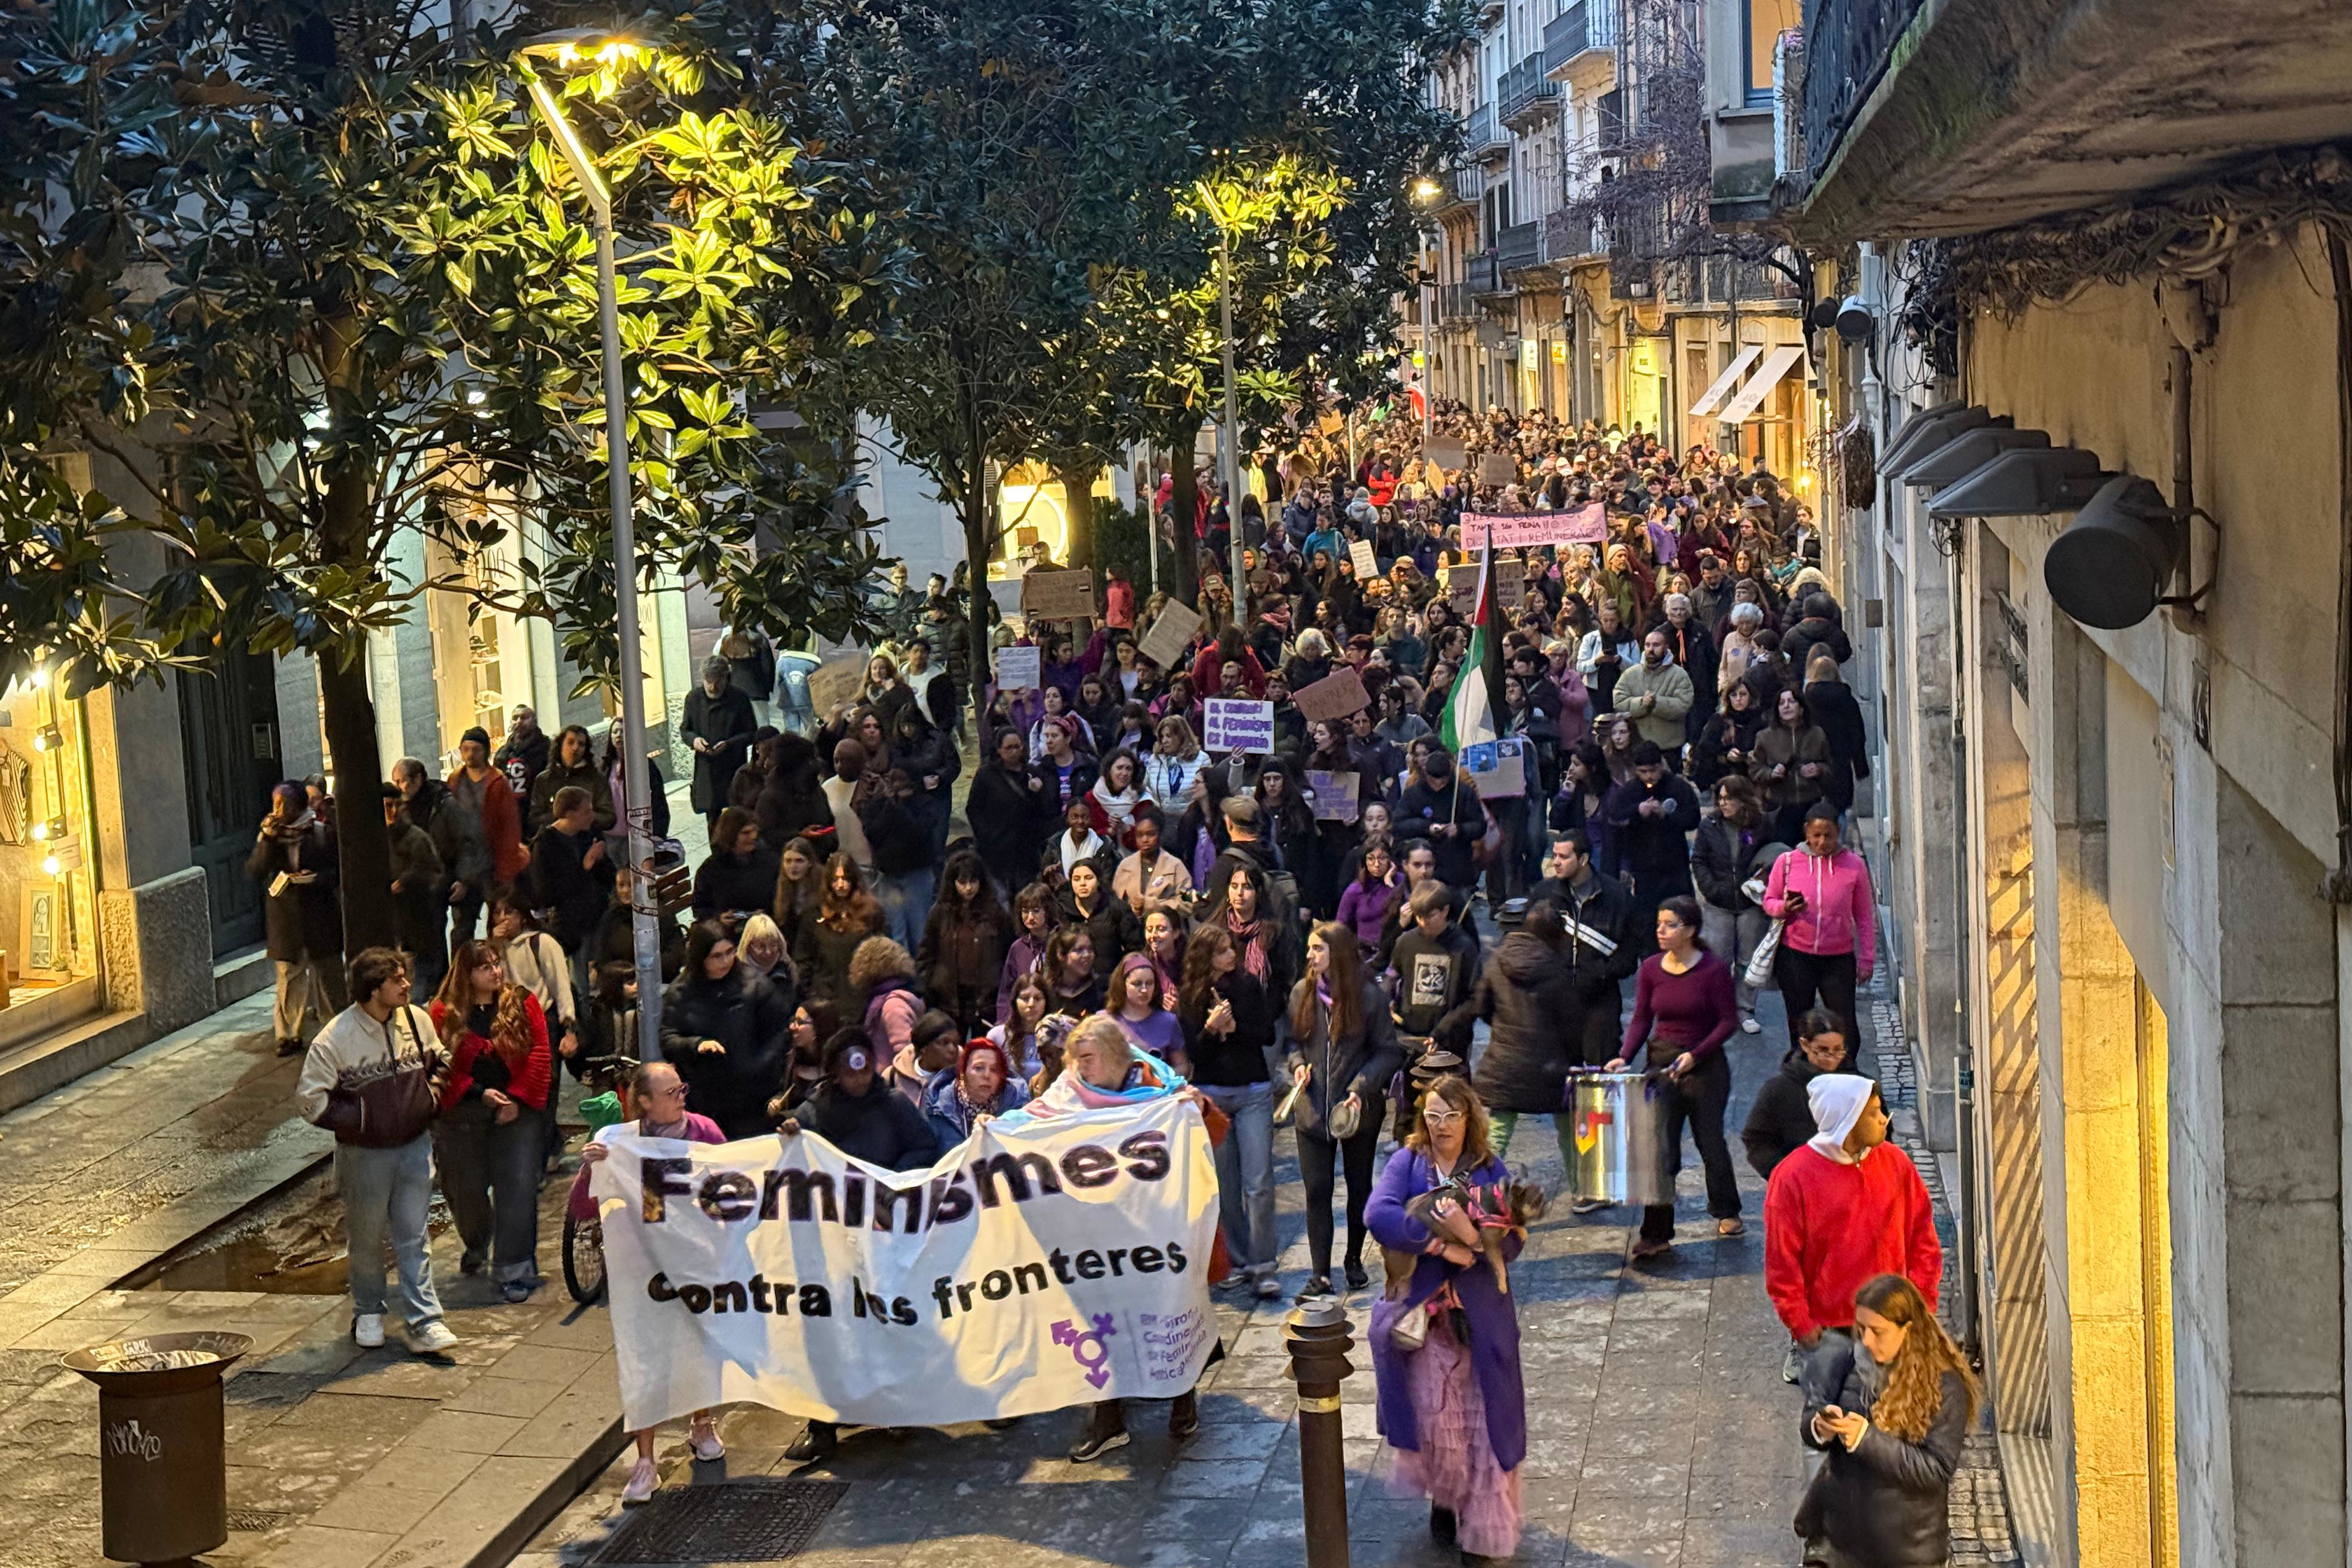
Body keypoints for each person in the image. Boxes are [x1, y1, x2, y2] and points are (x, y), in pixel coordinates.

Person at [1014, 1016, 1202, 1462]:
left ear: (1116, 1056)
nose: (1081, 1068)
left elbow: (1200, 1131)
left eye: (1089, 1059)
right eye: (1075, 1060)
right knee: (1101, 1321)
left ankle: (1182, 1399)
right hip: (1094, 1235)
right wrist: (996, 1128)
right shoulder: (1067, 1090)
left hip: (1153, 1229)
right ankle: (1109, 1417)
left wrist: (1193, 1108)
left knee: (1167, 1308)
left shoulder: (1157, 1086)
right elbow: (1031, 1123)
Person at [1365, 1075, 1526, 1566]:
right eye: (1433, 1116)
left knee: (1485, 1434)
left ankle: (1482, 1535)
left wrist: (1475, 1242)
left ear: (1469, 1119)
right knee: (1438, 1430)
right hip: (1426, 1325)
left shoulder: (1487, 1168)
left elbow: (1514, 1241)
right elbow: (1378, 1213)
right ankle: (1447, 1500)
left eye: (1452, 1116)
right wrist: (1438, 1243)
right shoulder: (1407, 1163)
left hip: (1480, 1324)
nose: (1442, 1126)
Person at [776, 1030, 945, 1466]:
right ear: (835, 1072)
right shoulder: (815, 1112)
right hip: (833, 1237)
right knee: (830, 1329)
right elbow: (797, 1165)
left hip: (883, 1228)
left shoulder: (892, 1105)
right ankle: (822, 1428)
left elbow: (924, 1146)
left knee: (885, 1320)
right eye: (851, 1072)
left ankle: (894, 1407)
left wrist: (887, 1183)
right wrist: (791, 1135)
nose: (860, 1079)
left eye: (866, 1069)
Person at [292, 947, 456, 1354]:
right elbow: (310, 1100)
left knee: (413, 1236)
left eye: (405, 978)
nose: (406, 986)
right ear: (372, 989)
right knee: (365, 1239)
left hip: (414, 1148)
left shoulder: (416, 1020)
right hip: (364, 1157)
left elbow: (442, 1062)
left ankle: (425, 1320)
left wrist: (429, 1101)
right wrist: (363, 1120)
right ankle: (368, 1310)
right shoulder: (336, 1039)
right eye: (396, 980)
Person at [581, 1061, 729, 1505]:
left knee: (699, 1347)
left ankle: (701, 1423)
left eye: (681, 1088)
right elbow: (582, 1208)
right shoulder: (621, 1144)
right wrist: (592, 1169)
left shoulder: (703, 1131)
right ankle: (645, 1461)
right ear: (643, 1101)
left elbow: (733, 1185)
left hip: (695, 1261)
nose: (681, 1096)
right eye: (670, 1092)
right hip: (643, 1270)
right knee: (645, 1359)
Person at [1798, 1273, 1979, 1568]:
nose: (1866, 1341)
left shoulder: (1945, 1387)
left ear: (1907, 1330)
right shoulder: (1848, 1360)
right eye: (1861, 1328)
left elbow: (1935, 1470)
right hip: (1837, 1545)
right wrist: (1820, 1427)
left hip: (1905, 1552)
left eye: (1877, 1331)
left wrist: (1865, 1439)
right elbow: (1811, 1415)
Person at [1763, 1075, 1941, 1374]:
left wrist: (1922, 1306)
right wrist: (1801, 1324)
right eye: (1873, 1113)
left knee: (1896, 1416)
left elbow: (1923, 1240)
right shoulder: (1792, 1178)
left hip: (1893, 1320)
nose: (1884, 1119)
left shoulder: (1897, 1164)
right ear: (1847, 1120)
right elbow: (1783, 1262)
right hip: (1831, 1331)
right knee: (1837, 1417)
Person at [1609, 896, 1742, 1260]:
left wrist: (1696, 1055)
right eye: (1659, 924)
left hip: (1705, 1065)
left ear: (1691, 930)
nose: (1661, 931)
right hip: (1662, 1063)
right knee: (1659, 1151)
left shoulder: (1713, 971)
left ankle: (1727, 1209)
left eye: (1670, 925)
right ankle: (1656, 1232)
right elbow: (1641, 1019)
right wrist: (1624, 1058)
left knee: (1710, 1141)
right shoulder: (1651, 968)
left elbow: (1727, 1022)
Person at [1284, 922, 1404, 1297]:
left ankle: (1353, 1258)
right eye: (1309, 948)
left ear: (1336, 953)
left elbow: (1389, 1052)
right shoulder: (1302, 993)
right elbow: (1293, 1043)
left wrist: (1360, 1087)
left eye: (1317, 949)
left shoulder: (1369, 998)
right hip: (1312, 1109)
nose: (1310, 955)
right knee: (1317, 1189)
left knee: (1358, 1187)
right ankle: (1320, 1273)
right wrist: (1297, 1065)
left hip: (1356, 1112)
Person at [429, 941, 553, 1302]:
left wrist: (515, 1099)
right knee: (465, 1188)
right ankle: (478, 1241)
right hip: (463, 1111)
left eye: (497, 965)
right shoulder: (443, 1013)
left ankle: (515, 1268)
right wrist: (476, 1092)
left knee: (517, 1185)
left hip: (517, 1108)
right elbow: (437, 1064)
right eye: (485, 968)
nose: (495, 972)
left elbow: (540, 1055)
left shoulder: (521, 1002)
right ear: (466, 974)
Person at [1178, 924, 1281, 1300]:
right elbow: (1194, 1055)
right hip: (1213, 1092)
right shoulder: (1190, 995)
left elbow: (1267, 1034)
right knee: (1225, 1185)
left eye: (1230, 949)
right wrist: (1209, 1029)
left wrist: (1235, 1028)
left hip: (1252, 1088)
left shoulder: (1247, 986)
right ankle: (1239, 1261)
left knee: (1258, 1182)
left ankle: (1264, 1264)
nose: (1230, 956)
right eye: (1221, 950)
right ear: (1206, 956)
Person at [1467, 901, 1599, 1180]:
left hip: (1504, 1063)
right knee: (1570, 1130)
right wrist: (1574, 1060)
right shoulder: (1560, 971)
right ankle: (1583, 1191)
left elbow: (1480, 1007)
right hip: (1550, 1066)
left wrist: (1504, 1029)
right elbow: (1572, 1024)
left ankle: (1480, 1193)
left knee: (1497, 1133)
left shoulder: (1497, 961)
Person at [661, 919, 792, 1139]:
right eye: (716, 956)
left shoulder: (755, 985)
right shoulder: (681, 991)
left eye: (730, 952)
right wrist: (696, 1045)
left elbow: (780, 1032)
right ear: (701, 958)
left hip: (751, 1098)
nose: (726, 961)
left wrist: (757, 1065)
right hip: (703, 1097)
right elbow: (667, 1038)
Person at [1762, 805, 1876, 1050]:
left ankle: (1844, 1072)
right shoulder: (1788, 862)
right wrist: (1785, 908)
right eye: (1816, 836)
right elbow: (1769, 901)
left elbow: (1865, 915)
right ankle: (1802, 1074)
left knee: (1845, 1025)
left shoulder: (1854, 866)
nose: (1822, 842)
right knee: (1799, 1024)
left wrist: (1867, 958)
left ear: (1838, 832)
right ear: (1807, 833)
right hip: (1795, 956)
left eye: (1828, 835)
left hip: (1838, 958)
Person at [1692, 775, 1777, 1035]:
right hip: (1719, 902)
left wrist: (1762, 883)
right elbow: (1699, 860)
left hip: (1750, 903)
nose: (1724, 803)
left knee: (1748, 959)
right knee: (1717, 959)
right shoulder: (1710, 826)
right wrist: (1711, 888)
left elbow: (1774, 855)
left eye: (1729, 798)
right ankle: (1718, 1009)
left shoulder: (1760, 825)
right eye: (1721, 798)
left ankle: (1745, 1009)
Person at [1603, 741, 1700, 944]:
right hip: (1644, 869)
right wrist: (1637, 812)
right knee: (1648, 924)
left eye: (1653, 771)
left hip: (1675, 867)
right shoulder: (1629, 791)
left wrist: (1667, 816)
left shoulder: (1677, 787)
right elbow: (1614, 818)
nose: (1649, 777)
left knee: (1683, 917)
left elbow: (1693, 819)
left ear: (1661, 766)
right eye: (1643, 772)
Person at [1743, 1011, 1853, 1180]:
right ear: (1805, 1045)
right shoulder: (1779, 1090)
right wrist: (1786, 1172)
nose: (1831, 1059)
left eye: (1838, 1050)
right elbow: (1757, 1139)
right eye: (1823, 1050)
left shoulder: (1858, 1085)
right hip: (1800, 1184)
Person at [916, 851, 1012, 1037]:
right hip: (948, 1000)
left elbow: (1008, 954)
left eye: (973, 882)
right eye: (962, 882)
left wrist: (1001, 988)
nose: (968, 888)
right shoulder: (939, 914)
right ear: (953, 883)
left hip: (986, 1001)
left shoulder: (996, 914)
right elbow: (926, 954)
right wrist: (930, 986)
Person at [448, 727, 527, 935]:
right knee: (462, 927)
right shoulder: (455, 780)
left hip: (491, 862)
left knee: (498, 920)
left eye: (475, 749)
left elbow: (509, 828)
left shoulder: (497, 782)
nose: (470, 755)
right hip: (464, 863)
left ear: (485, 751)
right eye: (466, 749)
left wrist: (506, 868)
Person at [967, 729, 1051, 897]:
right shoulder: (986, 775)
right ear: (999, 750)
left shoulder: (1032, 773)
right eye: (1009, 748)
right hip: (995, 850)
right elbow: (973, 809)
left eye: (1017, 747)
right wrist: (985, 836)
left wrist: (1036, 792)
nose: (1014, 752)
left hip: (1025, 851)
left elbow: (1042, 812)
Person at [382, 784, 448, 998]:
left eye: (396, 806)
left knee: (415, 982)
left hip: (416, 916)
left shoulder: (416, 838)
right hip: (388, 920)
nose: (392, 812)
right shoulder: (372, 839)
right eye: (386, 806)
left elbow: (434, 872)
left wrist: (408, 880)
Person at [801, 853, 886, 1010]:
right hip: (825, 996)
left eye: (845, 879)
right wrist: (809, 994)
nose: (840, 885)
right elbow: (804, 959)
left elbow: (883, 956)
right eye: (835, 880)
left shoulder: (872, 913)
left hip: (862, 995)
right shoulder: (813, 913)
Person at [1751, 685, 1833, 843]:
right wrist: (1771, 773)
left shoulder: (1817, 734)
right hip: (1781, 807)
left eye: (1792, 701)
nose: (1786, 706)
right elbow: (1755, 769)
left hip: (1811, 804)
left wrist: (1819, 770)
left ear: (1801, 708)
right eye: (1782, 703)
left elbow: (1830, 768)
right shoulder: (1765, 737)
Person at [922, 1036, 1031, 1145]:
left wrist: (1001, 1124)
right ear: (963, 1072)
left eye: (994, 1070)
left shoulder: (1017, 1103)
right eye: (979, 1068)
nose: (987, 1075)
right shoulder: (938, 1104)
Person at [1612, 628, 1695, 756]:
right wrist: (1641, 703)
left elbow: (1684, 705)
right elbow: (1618, 701)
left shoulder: (1679, 675)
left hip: (1669, 748)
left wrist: (1657, 702)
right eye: (1648, 645)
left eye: (1656, 645)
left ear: (1666, 648)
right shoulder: (1630, 674)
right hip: (1637, 746)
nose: (1651, 649)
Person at [692, 807, 781, 923]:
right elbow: (700, 907)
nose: (754, 836)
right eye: (746, 833)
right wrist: (718, 918)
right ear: (731, 836)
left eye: (755, 831)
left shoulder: (770, 860)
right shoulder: (710, 870)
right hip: (730, 931)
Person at [527, 723, 616, 837]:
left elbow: (609, 818)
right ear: (561, 745)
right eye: (571, 743)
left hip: (587, 843)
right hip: (553, 844)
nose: (575, 748)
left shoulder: (596, 779)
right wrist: (561, 815)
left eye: (581, 744)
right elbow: (534, 820)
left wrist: (585, 815)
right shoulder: (544, 780)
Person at [492, 704, 551, 807]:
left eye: (524, 718)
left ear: (534, 721)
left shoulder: (548, 748)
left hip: (539, 812)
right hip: (511, 814)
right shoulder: (502, 754)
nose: (519, 722)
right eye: (515, 718)